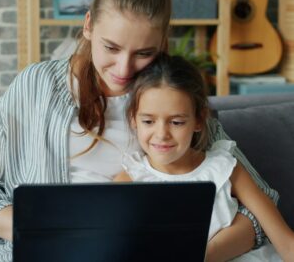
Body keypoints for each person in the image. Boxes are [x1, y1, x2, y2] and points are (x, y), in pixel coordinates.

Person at [0, 0, 277, 262]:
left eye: (144, 53)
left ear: (163, 44)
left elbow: (262, 206)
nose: (123, 69)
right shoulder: (34, 86)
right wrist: (35, 229)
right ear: (88, 25)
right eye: (111, 47)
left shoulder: (173, 101)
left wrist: (199, 254)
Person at [114, 53, 294, 261]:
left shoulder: (225, 168)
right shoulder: (127, 183)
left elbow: (285, 241)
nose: (162, 134)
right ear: (133, 119)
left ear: (199, 120)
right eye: (148, 121)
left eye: (177, 122)